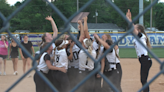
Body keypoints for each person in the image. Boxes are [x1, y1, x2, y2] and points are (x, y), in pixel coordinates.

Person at [126, 9, 152, 92]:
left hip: (145, 60)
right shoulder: (138, 37)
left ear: (139, 30)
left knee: (143, 80)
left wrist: (129, 19)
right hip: (143, 60)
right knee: (143, 80)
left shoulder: (141, 36)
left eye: (136, 29)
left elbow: (133, 28)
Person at [76, 17, 96, 92]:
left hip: (82, 73)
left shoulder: (81, 51)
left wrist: (83, 22)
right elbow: (85, 32)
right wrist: (85, 21)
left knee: (82, 89)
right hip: (90, 73)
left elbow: (82, 34)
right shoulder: (93, 52)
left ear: (83, 45)